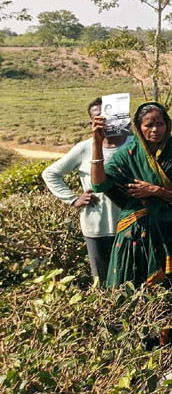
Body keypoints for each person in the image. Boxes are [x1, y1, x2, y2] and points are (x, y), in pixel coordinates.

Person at [90, 102, 172, 290]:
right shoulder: (126, 155)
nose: (155, 130)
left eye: (160, 124)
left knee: (167, 294)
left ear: (167, 125)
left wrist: (156, 191)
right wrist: (97, 142)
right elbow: (98, 184)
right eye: (148, 125)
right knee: (130, 289)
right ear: (138, 127)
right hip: (134, 236)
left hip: (167, 235)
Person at [42, 98, 131, 284]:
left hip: (131, 225)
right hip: (96, 227)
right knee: (102, 281)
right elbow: (50, 173)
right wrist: (73, 199)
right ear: (92, 122)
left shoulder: (135, 144)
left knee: (130, 280)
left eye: (107, 116)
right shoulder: (84, 148)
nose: (103, 121)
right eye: (97, 118)